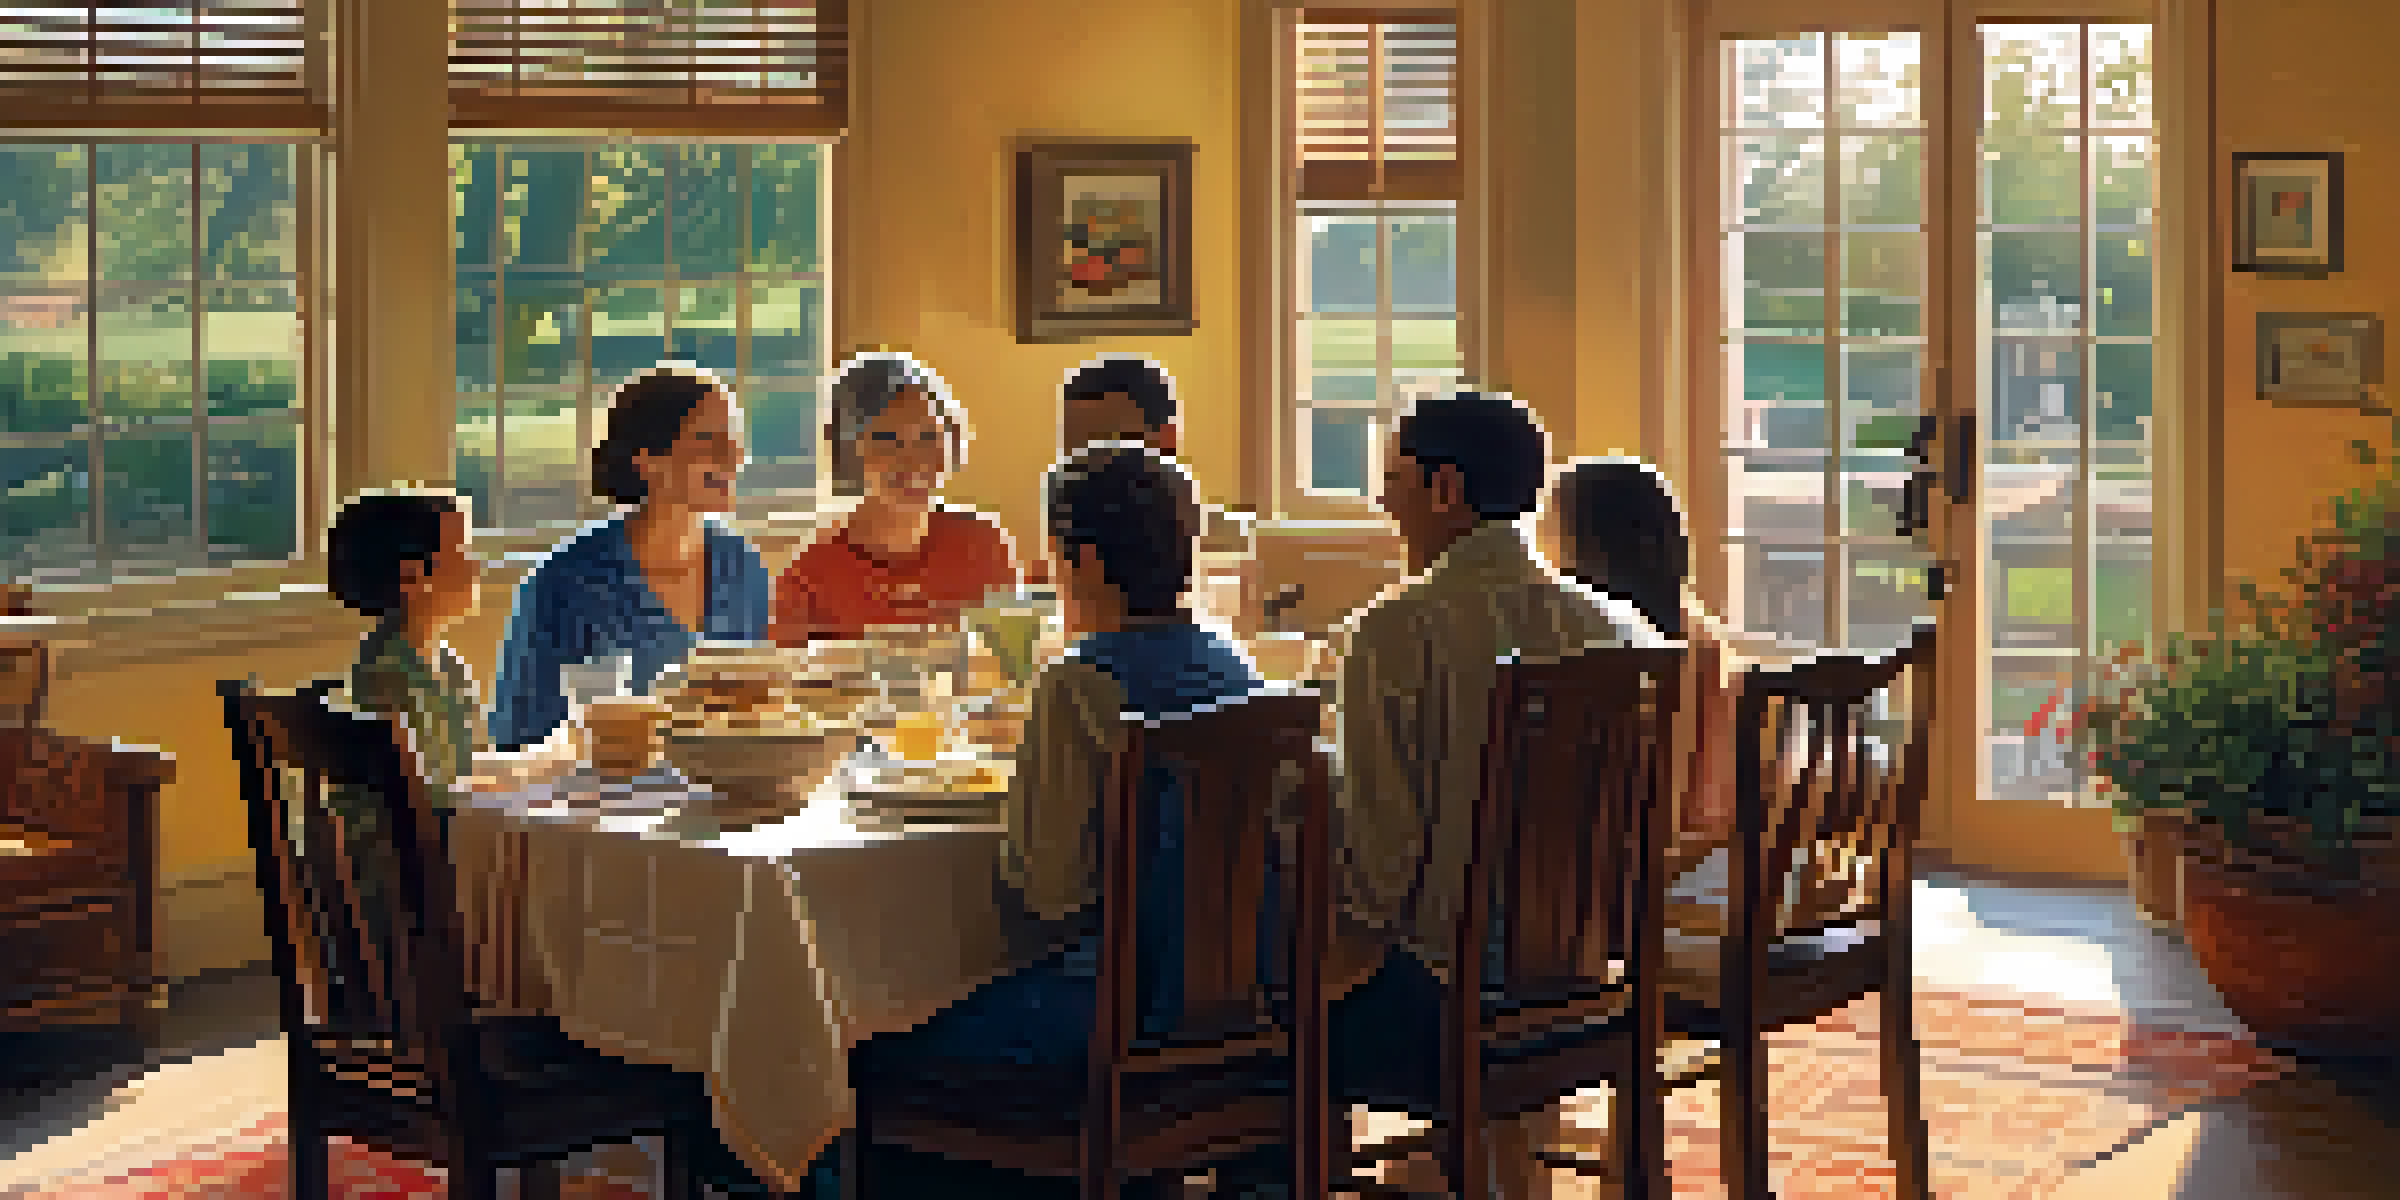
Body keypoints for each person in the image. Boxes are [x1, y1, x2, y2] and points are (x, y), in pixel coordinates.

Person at [820, 444, 1266, 1199]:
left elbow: (1049, 892)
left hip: (1109, 1016)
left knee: (848, 1041)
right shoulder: (1239, 673)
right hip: (1243, 1009)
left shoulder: (1082, 682)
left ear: (1082, 561)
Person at [1325, 392, 1653, 1197]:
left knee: (1245, 992)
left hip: (1446, 1010)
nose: (1382, 499)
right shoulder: (1618, 631)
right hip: (1588, 984)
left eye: (1393, 477)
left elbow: (1380, 872)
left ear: (1444, 490)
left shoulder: (1397, 631)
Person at [489, 364, 772, 751]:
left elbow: (761, 711)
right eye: (709, 440)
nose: (735, 456)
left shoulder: (742, 567)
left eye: (735, 439)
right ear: (647, 461)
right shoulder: (568, 583)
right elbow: (518, 738)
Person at [771, 352, 1020, 644]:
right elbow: (786, 684)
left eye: (928, 437)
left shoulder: (985, 546)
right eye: (887, 439)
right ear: (848, 451)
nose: (913, 460)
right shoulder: (810, 574)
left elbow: (1010, 669)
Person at [1053, 354, 1253, 570]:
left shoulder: (1226, 550)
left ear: (1167, 439)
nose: (1088, 469)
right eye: (1076, 449)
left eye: (1113, 448)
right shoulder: (1067, 522)